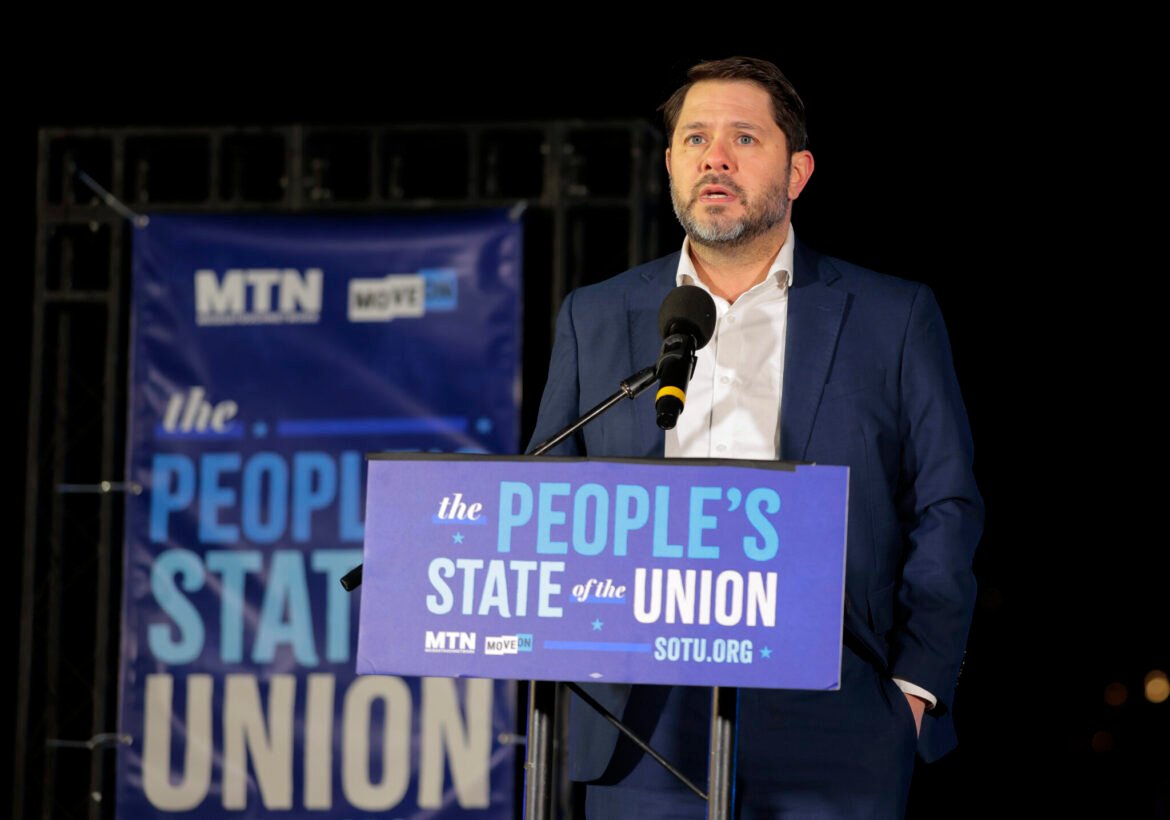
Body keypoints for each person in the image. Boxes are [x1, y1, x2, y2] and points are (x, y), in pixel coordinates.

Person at [527, 56, 983, 818]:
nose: (716, 156)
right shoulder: (595, 315)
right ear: (670, 162)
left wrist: (913, 687)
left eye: (745, 137)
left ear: (798, 171)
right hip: (640, 711)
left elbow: (947, 503)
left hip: (832, 703)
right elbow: (547, 490)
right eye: (695, 138)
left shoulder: (891, 315)